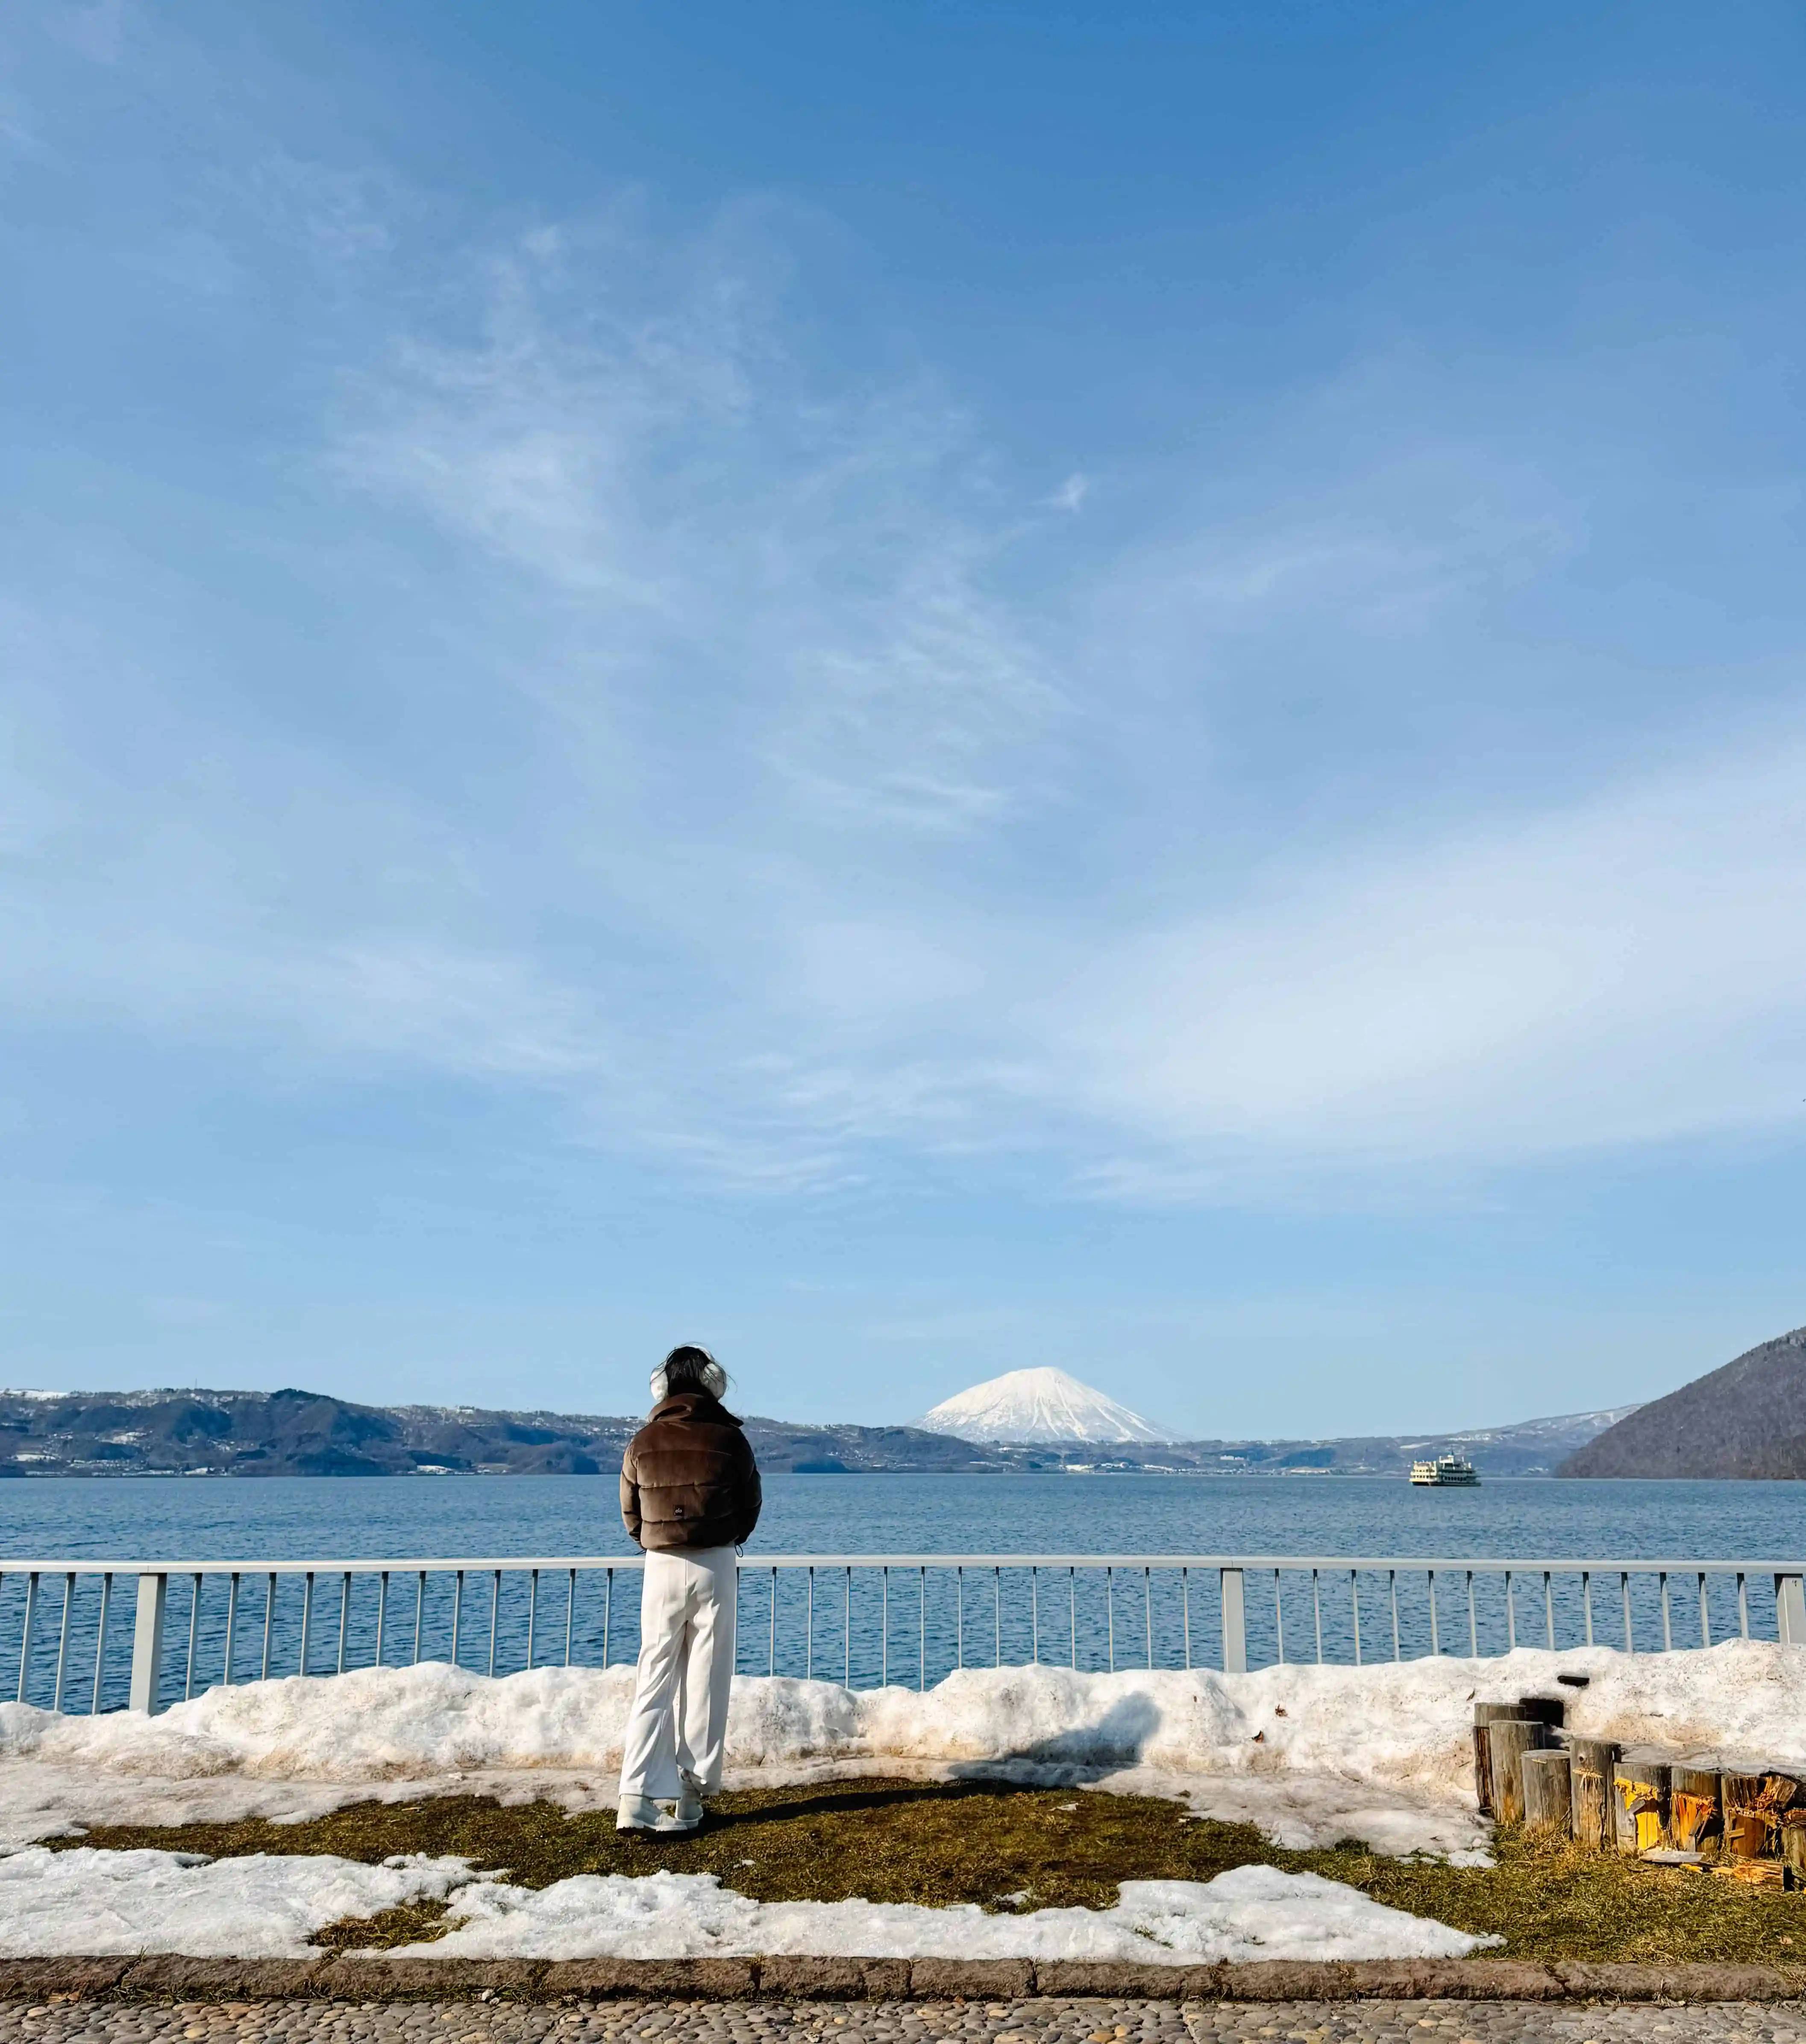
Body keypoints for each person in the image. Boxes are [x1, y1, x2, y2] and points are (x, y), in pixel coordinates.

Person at [615, 1344, 762, 1833]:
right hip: (715, 1563)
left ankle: (634, 1795)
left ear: (662, 1387)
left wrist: (655, 1542)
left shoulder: (641, 1442)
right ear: (714, 1383)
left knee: (653, 1674)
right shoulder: (732, 1441)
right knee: (706, 1679)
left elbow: (630, 1514)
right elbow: (750, 1507)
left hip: (660, 1565)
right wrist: (724, 1537)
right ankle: (691, 1796)